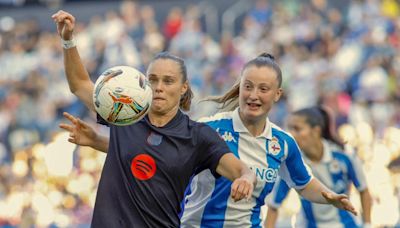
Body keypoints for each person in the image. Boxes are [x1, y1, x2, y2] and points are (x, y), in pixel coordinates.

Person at [60, 50, 358, 227]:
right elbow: (158, 152)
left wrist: (329, 195)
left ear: (277, 95)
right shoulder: (209, 127)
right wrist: (101, 142)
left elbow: (303, 183)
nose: (254, 95)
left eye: (263, 89)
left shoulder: (281, 142)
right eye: (248, 87)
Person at [52, 10, 256, 228]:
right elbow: (80, 85)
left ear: (183, 87)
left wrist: (245, 179)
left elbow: (241, 170)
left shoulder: (197, 136)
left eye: (168, 81)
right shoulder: (124, 113)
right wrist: (67, 40)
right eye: (153, 80)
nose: (159, 87)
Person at [265, 107, 372, 228]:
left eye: (297, 129)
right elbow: (274, 205)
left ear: (316, 131)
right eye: (289, 128)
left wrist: (367, 224)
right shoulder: (291, 163)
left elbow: (363, 190)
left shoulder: (345, 156)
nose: (291, 134)